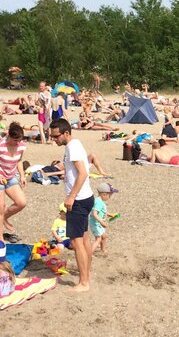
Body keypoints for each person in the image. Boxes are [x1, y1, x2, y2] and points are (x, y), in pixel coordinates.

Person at [50, 118, 93, 292]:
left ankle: (84, 282)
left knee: (77, 242)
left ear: (66, 133)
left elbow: (83, 173)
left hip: (79, 200)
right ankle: (86, 274)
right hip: (86, 197)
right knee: (84, 238)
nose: (54, 140)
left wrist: (71, 196)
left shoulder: (72, 147)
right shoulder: (73, 145)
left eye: (56, 136)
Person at [0, 122, 28, 244]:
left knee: (21, 202)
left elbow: (19, 160)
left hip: (10, 176)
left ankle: (3, 218)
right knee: (0, 207)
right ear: (9, 136)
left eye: (20, 140)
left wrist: (22, 176)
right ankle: (0, 239)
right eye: (15, 140)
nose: (17, 143)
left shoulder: (21, 146)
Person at [90, 182, 118, 253]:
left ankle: (103, 250)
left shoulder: (97, 200)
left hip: (97, 223)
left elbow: (101, 212)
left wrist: (110, 214)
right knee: (98, 239)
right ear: (104, 194)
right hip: (96, 224)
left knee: (104, 236)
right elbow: (94, 213)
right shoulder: (99, 202)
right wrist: (101, 222)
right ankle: (89, 252)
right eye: (110, 195)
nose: (110, 197)